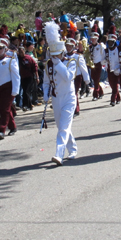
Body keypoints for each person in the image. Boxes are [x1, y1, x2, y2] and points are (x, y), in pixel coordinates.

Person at [43, 21, 77, 165]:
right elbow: (46, 82)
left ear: (63, 53)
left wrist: (58, 64)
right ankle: (73, 148)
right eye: (53, 55)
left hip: (69, 98)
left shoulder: (71, 62)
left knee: (63, 127)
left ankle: (59, 154)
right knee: (62, 126)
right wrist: (45, 94)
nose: (55, 57)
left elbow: (68, 77)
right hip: (56, 99)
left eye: (57, 55)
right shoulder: (48, 65)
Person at [89, 32, 106, 100]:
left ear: (97, 39)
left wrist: (103, 63)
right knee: (94, 78)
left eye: (95, 39)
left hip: (98, 64)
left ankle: (95, 95)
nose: (93, 40)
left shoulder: (100, 46)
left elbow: (103, 55)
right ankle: (101, 92)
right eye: (92, 39)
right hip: (92, 64)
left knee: (97, 79)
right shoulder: (90, 47)